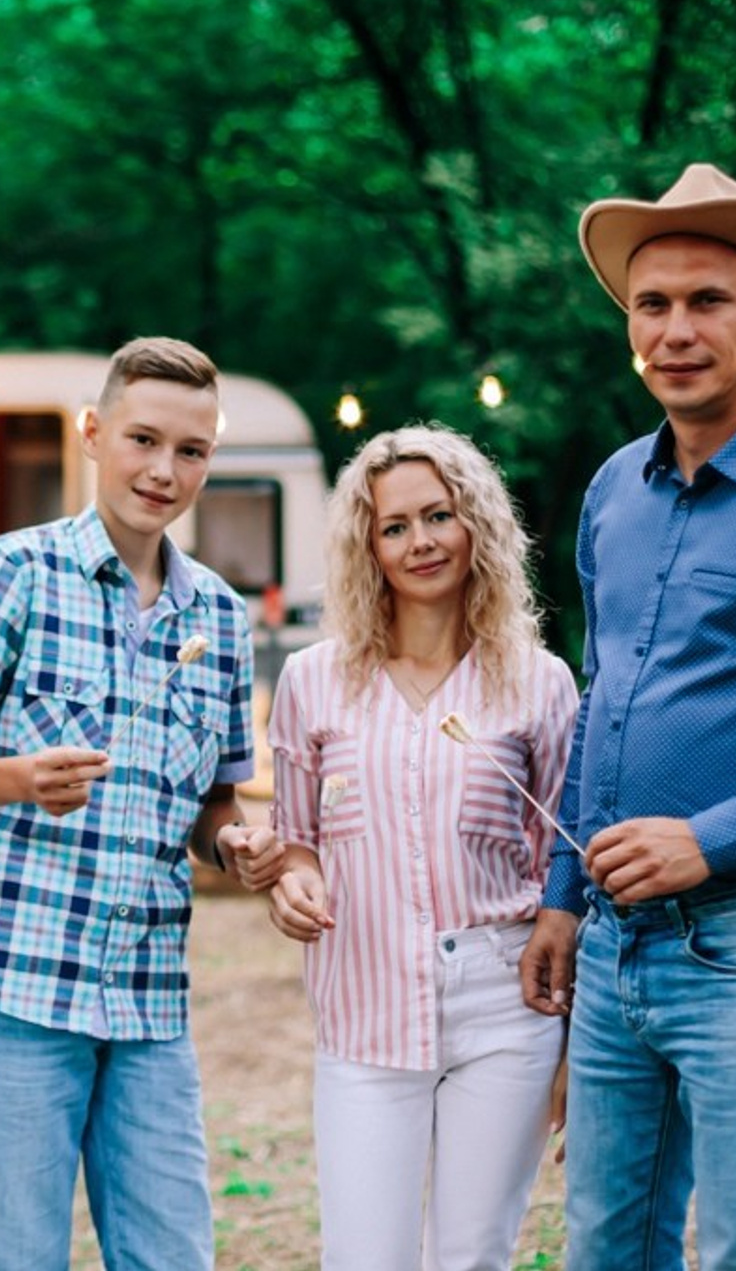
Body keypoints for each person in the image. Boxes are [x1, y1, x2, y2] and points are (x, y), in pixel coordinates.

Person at [0, 336, 270, 1270]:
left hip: (148, 997)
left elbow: (214, 806)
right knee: (18, 1257)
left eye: (190, 451)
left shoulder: (221, 619)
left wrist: (239, 849)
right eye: (144, 440)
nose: (163, 469)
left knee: (172, 1257)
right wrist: (19, 779)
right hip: (18, 989)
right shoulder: (12, 573)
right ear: (94, 434)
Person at [233, 426, 577, 1271]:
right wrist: (289, 879)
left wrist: (574, 1044)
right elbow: (301, 841)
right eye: (395, 526)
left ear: (477, 527)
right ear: (368, 545)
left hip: (507, 1010)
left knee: (473, 1256)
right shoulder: (316, 682)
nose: (420, 542)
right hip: (363, 1006)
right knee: (364, 1258)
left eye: (439, 516)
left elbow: (566, 871)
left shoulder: (540, 684)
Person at [519, 163, 736, 1270]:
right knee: (604, 1246)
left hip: (730, 946)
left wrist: (705, 838)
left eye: (707, 300)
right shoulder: (613, 489)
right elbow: (602, 700)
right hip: (610, 952)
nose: (675, 328)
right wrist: (561, 897)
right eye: (651, 304)